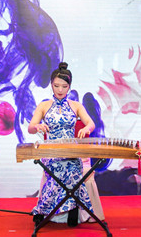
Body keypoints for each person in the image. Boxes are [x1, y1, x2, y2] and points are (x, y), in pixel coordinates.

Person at [27, 62, 96, 227]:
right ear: (51, 84)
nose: (60, 90)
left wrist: (86, 128)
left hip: (71, 150)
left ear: (69, 86)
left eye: (64, 86)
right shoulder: (44, 105)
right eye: (56, 86)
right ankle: (43, 210)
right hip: (52, 151)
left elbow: (91, 124)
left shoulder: (76, 106)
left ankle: (72, 210)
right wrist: (37, 126)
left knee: (72, 169)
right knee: (57, 171)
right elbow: (30, 127)